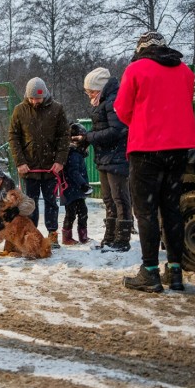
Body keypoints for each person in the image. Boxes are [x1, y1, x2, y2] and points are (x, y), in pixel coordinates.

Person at [114, 31, 195, 293]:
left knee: (146, 211)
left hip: (147, 149)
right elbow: (184, 103)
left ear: (141, 49)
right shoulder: (184, 70)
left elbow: (122, 109)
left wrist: (142, 124)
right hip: (179, 148)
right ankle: (175, 271)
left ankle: (150, 271)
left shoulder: (136, 69)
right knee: (172, 209)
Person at [72, 67, 132, 251]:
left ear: (99, 88)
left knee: (119, 198)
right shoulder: (104, 101)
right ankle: (110, 238)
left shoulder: (112, 101)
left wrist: (89, 137)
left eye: (90, 90)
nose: (88, 94)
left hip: (117, 157)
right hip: (106, 157)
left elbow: (117, 130)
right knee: (109, 198)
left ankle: (122, 239)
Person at [8, 77, 70, 249]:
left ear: (45, 95)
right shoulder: (19, 110)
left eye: (38, 98)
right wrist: (20, 162)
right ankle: (31, 235)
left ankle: (52, 234)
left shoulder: (57, 109)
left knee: (51, 202)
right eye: (32, 98)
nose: (35, 101)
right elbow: (13, 137)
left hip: (51, 167)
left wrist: (60, 161)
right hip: (29, 167)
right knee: (30, 204)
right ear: (27, 96)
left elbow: (64, 137)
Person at [61, 123, 92, 245]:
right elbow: (73, 171)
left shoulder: (77, 153)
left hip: (76, 190)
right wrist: (83, 185)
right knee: (71, 214)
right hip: (72, 189)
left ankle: (83, 236)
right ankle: (67, 237)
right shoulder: (73, 153)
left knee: (82, 212)